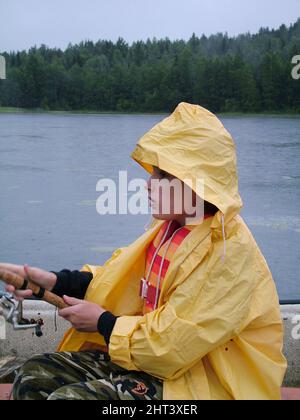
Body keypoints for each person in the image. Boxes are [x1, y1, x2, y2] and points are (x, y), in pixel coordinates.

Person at [1, 102, 287, 400]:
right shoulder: (174, 226)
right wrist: (56, 281)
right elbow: (121, 282)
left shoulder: (228, 253)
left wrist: (103, 323)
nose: (150, 185)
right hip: (154, 365)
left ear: (199, 185)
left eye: (163, 176)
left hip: (204, 384)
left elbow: (173, 346)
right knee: (33, 375)